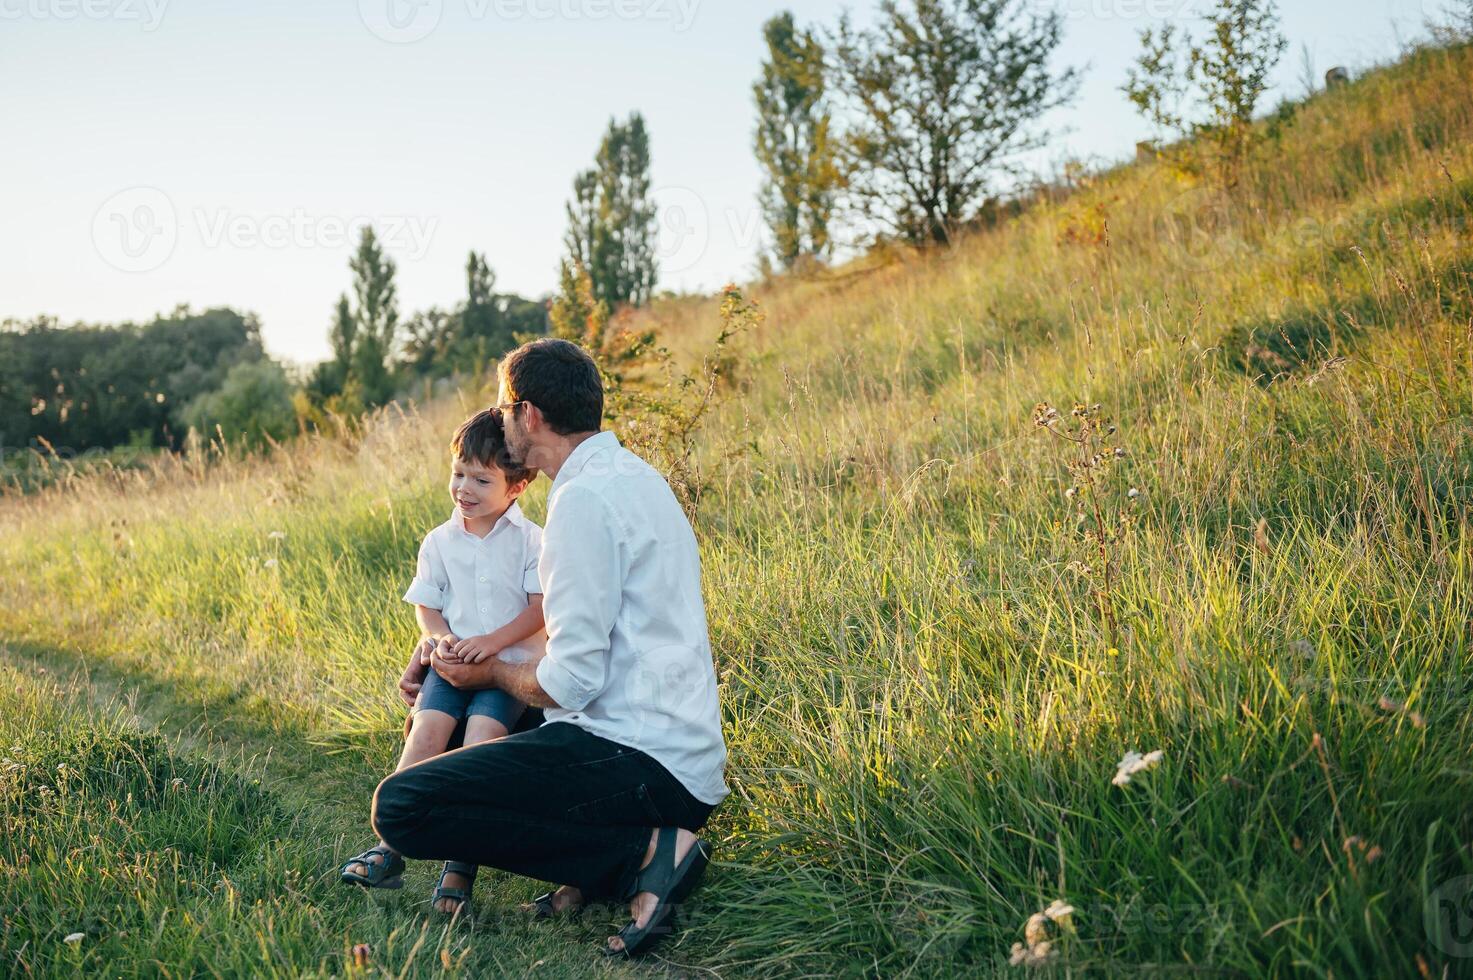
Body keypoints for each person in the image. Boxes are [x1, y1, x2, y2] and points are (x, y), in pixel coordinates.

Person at [372, 338, 729, 958]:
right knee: (482, 732)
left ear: (529, 415)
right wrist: (446, 655)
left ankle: (643, 855)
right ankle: (603, 866)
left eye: (505, 409)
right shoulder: (633, 477)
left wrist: (488, 673)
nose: (500, 420)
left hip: (639, 759)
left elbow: (569, 683)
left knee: (404, 805)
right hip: (674, 751)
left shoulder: (581, 504)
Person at [340, 409, 547, 917]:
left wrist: (493, 643)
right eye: (458, 473)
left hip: (507, 673)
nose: (464, 488)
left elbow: (539, 607)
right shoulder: (439, 540)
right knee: (426, 733)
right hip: (450, 666)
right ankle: (390, 846)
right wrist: (439, 639)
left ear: (516, 486)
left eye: (481, 479)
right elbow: (427, 605)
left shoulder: (532, 541)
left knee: (477, 748)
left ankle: (460, 868)